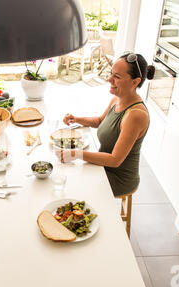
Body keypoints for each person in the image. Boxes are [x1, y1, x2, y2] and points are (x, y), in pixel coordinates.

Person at [56, 52, 155, 196]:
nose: (109, 79)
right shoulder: (117, 99)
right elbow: (99, 121)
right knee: (69, 174)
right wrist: (76, 119)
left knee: (72, 183)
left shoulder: (136, 115)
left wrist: (76, 153)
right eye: (111, 73)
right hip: (103, 166)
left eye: (117, 77)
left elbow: (115, 160)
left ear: (135, 82)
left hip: (119, 178)